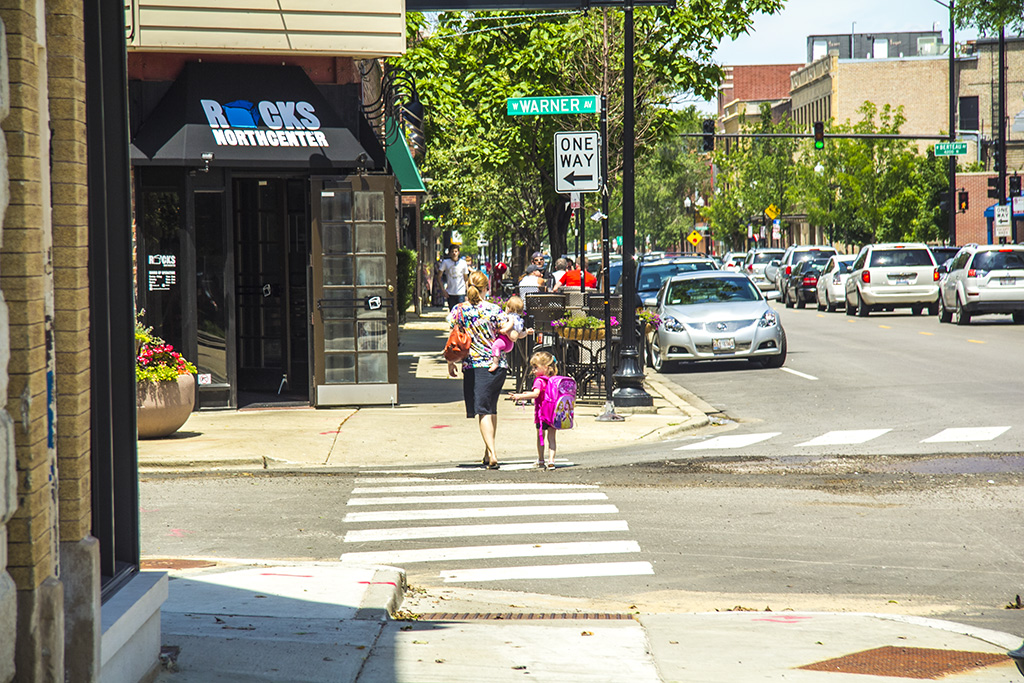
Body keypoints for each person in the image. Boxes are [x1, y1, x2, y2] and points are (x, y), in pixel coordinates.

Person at [447, 270, 507, 470]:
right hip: (498, 365)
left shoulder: (459, 310)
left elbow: (453, 338)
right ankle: (487, 451)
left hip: (474, 365)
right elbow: (506, 331)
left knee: (483, 411)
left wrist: (450, 362)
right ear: (486, 287)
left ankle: (492, 453)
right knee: (491, 408)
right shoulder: (495, 310)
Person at [506, 351, 559, 470]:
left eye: (535, 367)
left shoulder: (539, 381)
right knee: (552, 438)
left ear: (545, 367)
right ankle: (551, 460)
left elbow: (536, 394)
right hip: (553, 413)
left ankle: (541, 459)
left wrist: (519, 396)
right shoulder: (554, 380)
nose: (533, 370)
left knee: (540, 437)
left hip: (542, 414)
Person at [488, 295, 532, 373]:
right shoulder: (519, 320)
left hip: (504, 340)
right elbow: (520, 334)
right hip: (510, 344)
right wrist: (527, 332)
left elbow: (510, 324)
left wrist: (505, 329)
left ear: (508, 308)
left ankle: (495, 363)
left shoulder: (510, 317)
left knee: (495, 346)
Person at [439, 245, 469, 310]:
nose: (454, 253)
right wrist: (443, 290)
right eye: (452, 251)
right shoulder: (445, 262)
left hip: (461, 292)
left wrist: (467, 291)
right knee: (452, 313)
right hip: (450, 292)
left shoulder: (463, 263)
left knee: (461, 312)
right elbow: (439, 276)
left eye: (456, 251)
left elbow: (466, 278)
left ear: (458, 252)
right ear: (449, 253)